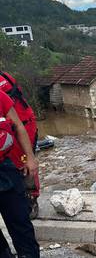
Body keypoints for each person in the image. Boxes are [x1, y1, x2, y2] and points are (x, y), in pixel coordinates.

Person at [0, 89, 40, 257]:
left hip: (4, 169)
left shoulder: (0, 96)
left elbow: (18, 126)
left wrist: (30, 158)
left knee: (20, 223)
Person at [0, 71, 40, 219]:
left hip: (22, 126)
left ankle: (32, 198)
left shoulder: (2, 80)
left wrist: (30, 157)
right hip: (11, 128)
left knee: (25, 162)